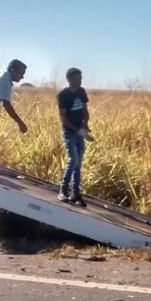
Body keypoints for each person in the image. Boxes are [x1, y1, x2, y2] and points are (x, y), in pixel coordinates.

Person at [57, 67, 94, 206]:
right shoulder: (63, 94)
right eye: (77, 78)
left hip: (79, 131)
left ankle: (75, 193)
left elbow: (85, 110)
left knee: (78, 163)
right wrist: (77, 130)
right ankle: (63, 190)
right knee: (73, 159)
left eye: (81, 78)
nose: (80, 81)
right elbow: (63, 118)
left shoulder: (81, 91)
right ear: (69, 79)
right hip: (69, 131)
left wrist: (85, 124)